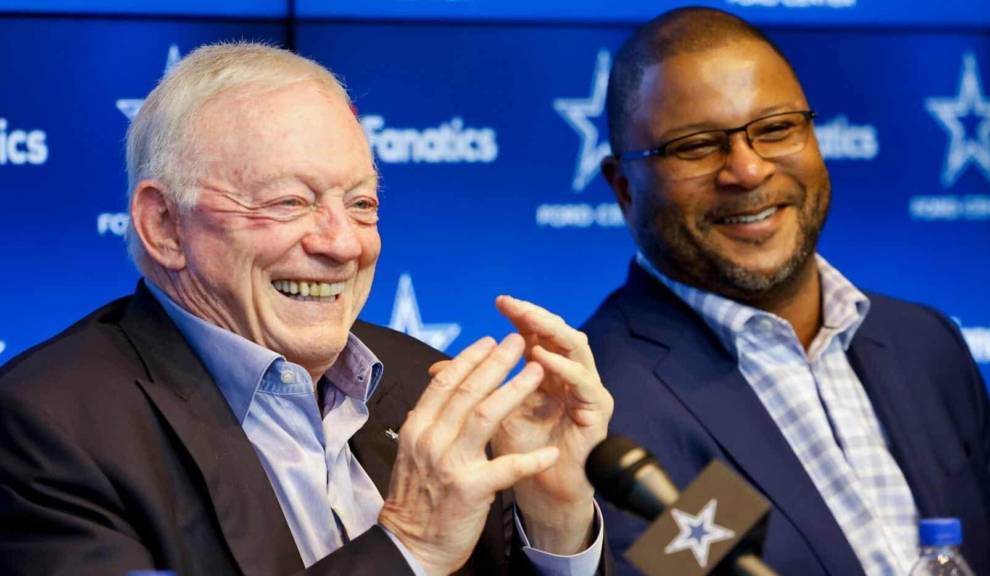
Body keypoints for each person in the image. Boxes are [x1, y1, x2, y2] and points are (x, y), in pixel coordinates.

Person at [0, 43, 615, 576]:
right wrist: (409, 548)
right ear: (164, 225)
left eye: (362, 204)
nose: (343, 243)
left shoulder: (422, 381)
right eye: (290, 202)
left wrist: (555, 516)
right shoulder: (43, 428)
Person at [585, 7, 990, 576]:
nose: (747, 170)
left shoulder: (926, 343)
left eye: (775, 129)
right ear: (623, 187)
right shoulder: (594, 408)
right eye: (696, 146)